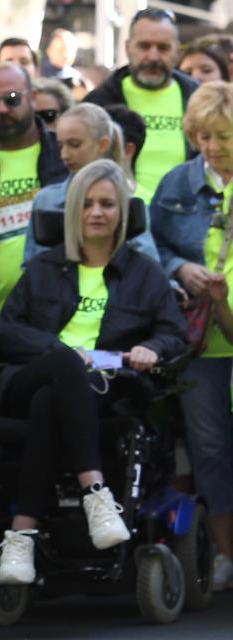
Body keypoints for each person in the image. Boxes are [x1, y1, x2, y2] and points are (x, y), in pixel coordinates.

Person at [0, 160, 187, 583]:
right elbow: (5, 330)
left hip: (104, 389)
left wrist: (151, 348)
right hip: (32, 378)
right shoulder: (43, 268)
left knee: (52, 403)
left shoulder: (144, 274)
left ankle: (21, 534)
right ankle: (96, 493)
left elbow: (175, 333)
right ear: (74, 211)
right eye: (88, 204)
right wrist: (63, 352)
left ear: (124, 213)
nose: (97, 213)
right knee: (63, 365)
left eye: (108, 205)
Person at [151, 80, 233, 591]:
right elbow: (149, 247)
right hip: (202, 344)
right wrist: (181, 268)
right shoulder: (176, 184)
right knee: (209, 449)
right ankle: (226, 554)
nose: (212, 146)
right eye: (202, 135)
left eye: (222, 135)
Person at [0, 63, 68, 320]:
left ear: (32, 98)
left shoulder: (67, 156)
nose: (2, 109)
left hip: (61, 316)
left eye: (12, 99)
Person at [85, 8, 198, 201]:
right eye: (144, 46)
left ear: (177, 51)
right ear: (128, 47)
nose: (153, 57)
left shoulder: (198, 99)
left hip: (186, 220)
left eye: (163, 48)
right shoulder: (98, 104)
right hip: (123, 219)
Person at [24, 103, 159, 263]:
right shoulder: (46, 200)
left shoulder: (129, 201)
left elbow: (147, 265)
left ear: (103, 144)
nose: (64, 155)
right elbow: (30, 266)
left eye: (75, 145)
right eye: (60, 145)